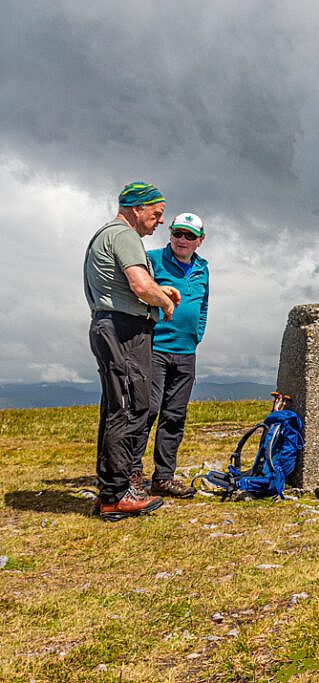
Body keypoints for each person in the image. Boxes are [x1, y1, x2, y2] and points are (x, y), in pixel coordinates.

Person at [84, 182, 180, 521]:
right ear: (136, 210)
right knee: (130, 406)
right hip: (124, 329)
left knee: (117, 406)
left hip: (109, 324)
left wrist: (157, 289)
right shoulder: (124, 236)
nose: (159, 222)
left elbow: (132, 284)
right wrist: (164, 301)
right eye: (156, 215)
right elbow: (139, 285)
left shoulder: (105, 236)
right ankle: (117, 493)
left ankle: (110, 490)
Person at [132, 212, 209, 499]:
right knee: (147, 410)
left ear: (199, 241)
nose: (182, 240)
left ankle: (164, 477)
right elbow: (137, 291)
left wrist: (196, 334)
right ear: (171, 234)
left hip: (186, 352)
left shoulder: (203, 269)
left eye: (190, 236)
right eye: (178, 233)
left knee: (174, 415)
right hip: (154, 348)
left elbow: (202, 306)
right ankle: (132, 474)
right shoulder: (152, 259)